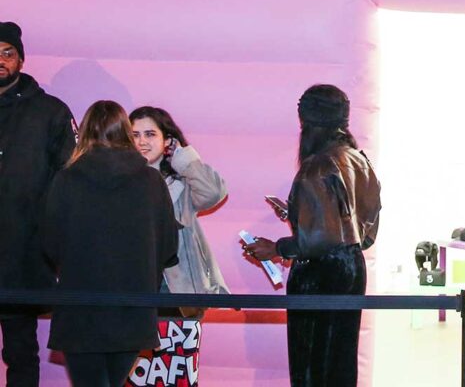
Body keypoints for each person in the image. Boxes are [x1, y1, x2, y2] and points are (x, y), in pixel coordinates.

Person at [243, 84, 381, 387]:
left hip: (321, 275)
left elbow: (320, 239)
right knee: (340, 361)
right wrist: (296, 212)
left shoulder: (316, 166)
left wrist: (277, 248)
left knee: (313, 365)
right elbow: (361, 227)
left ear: (306, 122)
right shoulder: (357, 158)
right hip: (351, 269)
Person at [42, 101, 178, 387]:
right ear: (126, 132)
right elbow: (168, 247)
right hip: (134, 305)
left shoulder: (66, 179)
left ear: (85, 132)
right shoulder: (152, 181)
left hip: (80, 305)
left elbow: (49, 243)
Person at [128, 107, 229, 386]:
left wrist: (183, 157)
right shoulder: (119, 181)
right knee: (135, 375)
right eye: (134, 134)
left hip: (176, 287)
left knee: (175, 374)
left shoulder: (181, 183)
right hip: (131, 286)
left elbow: (213, 193)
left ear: (167, 140)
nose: (142, 142)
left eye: (150, 134)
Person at [0, 21, 77, 387]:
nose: (0, 60)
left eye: (7, 53)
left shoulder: (51, 113)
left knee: (20, 352)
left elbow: (70, 179)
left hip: (22, 254)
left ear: (21, 60)